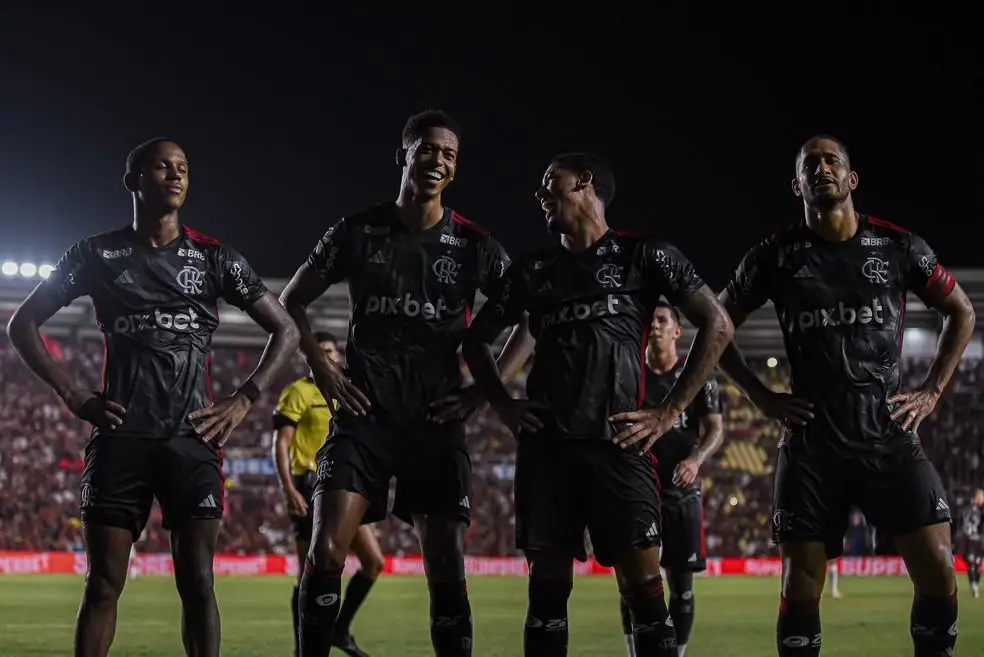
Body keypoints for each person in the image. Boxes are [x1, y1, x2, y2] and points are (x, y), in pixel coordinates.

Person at [5, 138, 300, 657]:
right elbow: (22, 323)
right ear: (133, 180)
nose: (176, 174)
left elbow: (287, 329)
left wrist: (245, 397)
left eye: (183, 167)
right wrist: (73, 392)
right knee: (102, 586)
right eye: (162, 166)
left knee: (198, 587)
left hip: (193, 440)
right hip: (121, 438)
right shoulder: (95, 254)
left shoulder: (215, 257)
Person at [279, 109, 532, 657]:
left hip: (434, 424)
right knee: (325, 551)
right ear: (404, 154)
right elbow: (290, 301)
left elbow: (528, 316)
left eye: (449, 155)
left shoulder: (475, 245)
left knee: (444, 564)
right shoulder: (356, 231)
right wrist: (323, 369)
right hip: (363, 418)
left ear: (455, 169)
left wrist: (485, 390)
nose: (437, 160)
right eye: (428, 148)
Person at [462, 152, 734, 657]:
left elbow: (717, 323)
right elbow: (476, 341)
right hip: (548, 453)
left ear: (584, 182)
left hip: (620, 450)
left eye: (550, 182)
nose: (540, 194)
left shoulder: (645, 254)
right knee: (546, 599)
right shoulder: (533, 270)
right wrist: (502, 404)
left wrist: (670, 410)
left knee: (647, 598)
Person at [717, 134, 975, 656]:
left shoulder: (898, 246)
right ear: (797, 184)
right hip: (812, 445)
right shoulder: (774, 255)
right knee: (798, 589)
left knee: (940, 569)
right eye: (809, 164)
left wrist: (932, 390)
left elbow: (962, 312)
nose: (821, 168)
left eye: (831, 160)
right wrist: (762, 397)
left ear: (851, 178)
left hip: (887, 435)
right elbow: (715, 326)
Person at [616, 302, 725, 657]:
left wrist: (696, 458)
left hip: (681, 490)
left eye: (663, 321)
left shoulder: (698, 377)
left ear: (678, 331)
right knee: (633, 584)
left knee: (682, 585)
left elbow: (715, 429)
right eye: (652, 321)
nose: (656, 326)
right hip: (638, 489)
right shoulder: (629, 374)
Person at [273, 331, 383, 657]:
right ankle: (301, 649)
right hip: (308, 484)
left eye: (331, 351)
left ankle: (340, 630)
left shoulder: (347, 389)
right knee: (310, 570)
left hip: (344, 480)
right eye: (319, 351)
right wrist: (288, 487)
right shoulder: (298, 392)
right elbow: (281, 442)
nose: (326, 356)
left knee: (374, 562)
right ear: (310, 357)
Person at [958, 488, 984, 600]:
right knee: (973, 564)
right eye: (982, 496)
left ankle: (975, 586)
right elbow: (963, 525)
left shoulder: (977, 510)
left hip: (976, 540)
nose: (983, 499)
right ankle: (974, 586)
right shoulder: (970, 509)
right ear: (976, 497)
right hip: (970, 541)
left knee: (976, 564)